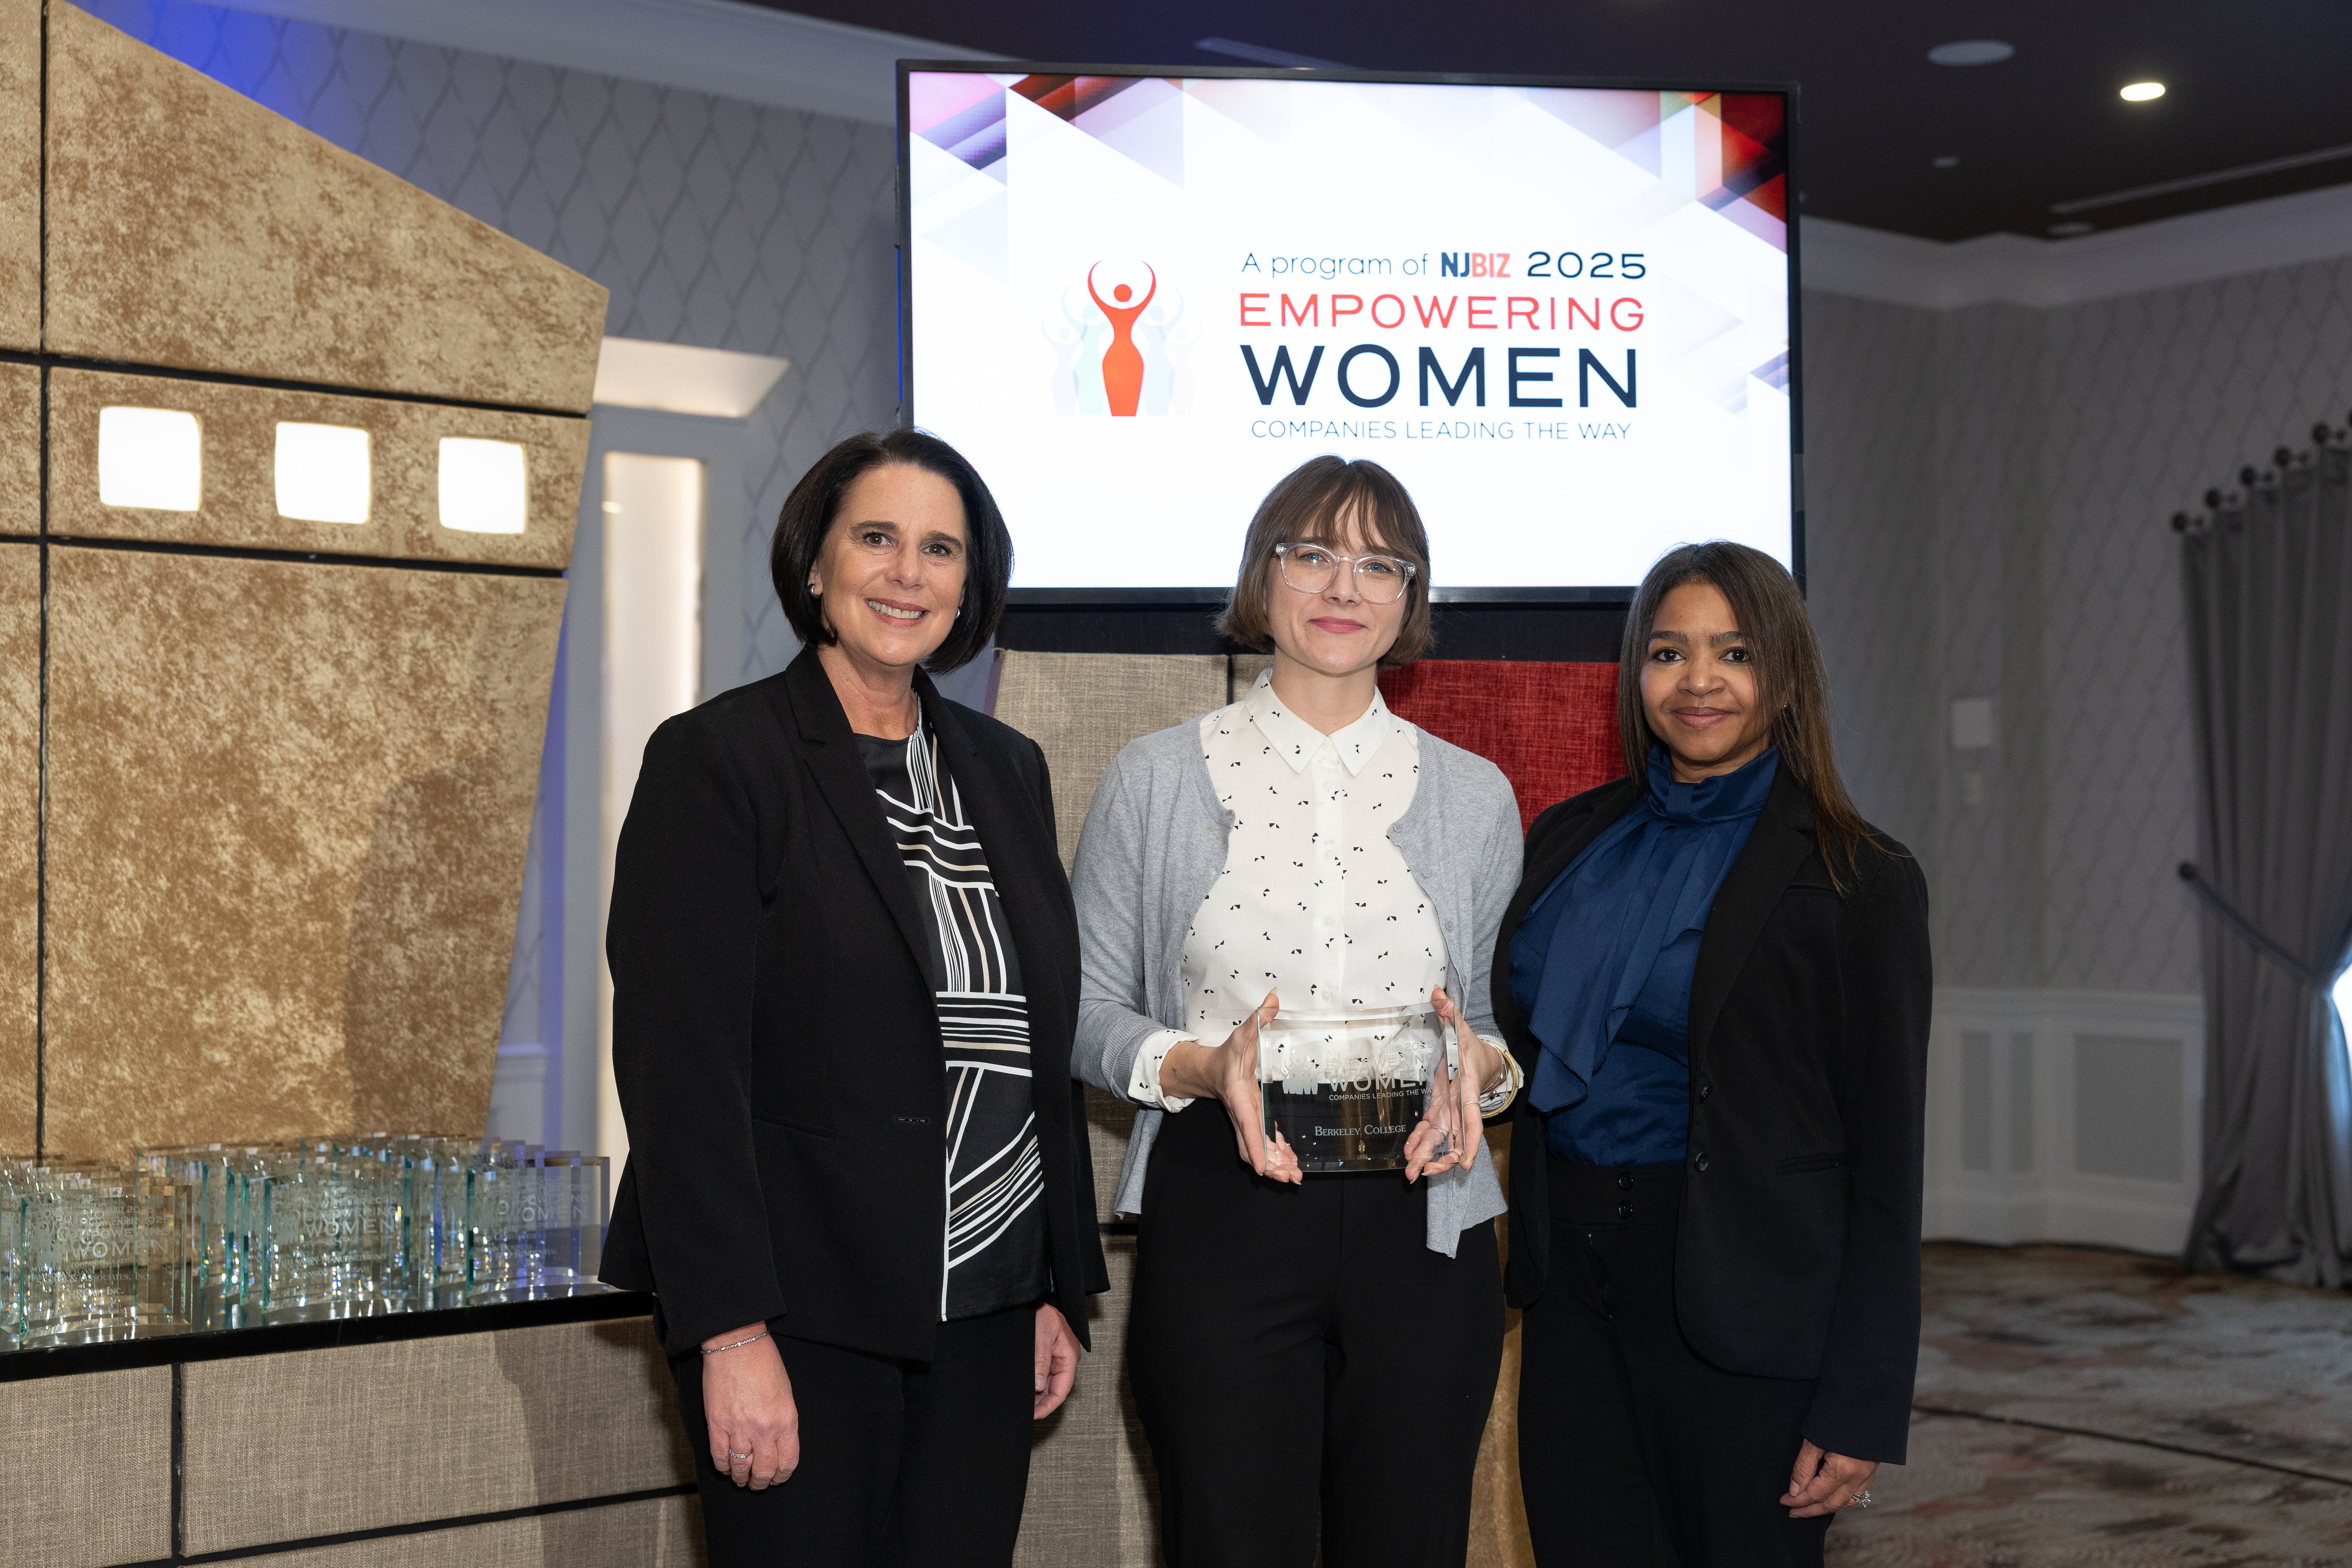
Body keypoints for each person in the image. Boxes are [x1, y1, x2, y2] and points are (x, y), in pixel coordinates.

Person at [600, 429, 1107, 1567]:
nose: (907, 573)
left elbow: (1033, 1048)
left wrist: (1048, 1284)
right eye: (876, 538)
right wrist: (729, 1332)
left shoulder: (1004, 766)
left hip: (985, 1310)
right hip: (797, 1312)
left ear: (969, 587)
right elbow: (682, 1073)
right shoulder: (721, 761)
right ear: (816, 564)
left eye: (941, 549)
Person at [1070, 456, 1526, 1568]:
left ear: (1409, 599)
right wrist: (1198, 1065)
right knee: (1228, 1542)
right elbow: (1081, 1012)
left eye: (1381, 563)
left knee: (1410, 1544)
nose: (1344, 585)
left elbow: (1506, 1032)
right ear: (1262, 577)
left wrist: (1484, 1071)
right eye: (1312, 552)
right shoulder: (1156, 779)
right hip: (1225, 1209)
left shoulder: (1476, 795)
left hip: (1425, 1216)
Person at [1495, 541, 1932, 1568]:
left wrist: (1864, 1400)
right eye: (1668, 652)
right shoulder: (1567, 839)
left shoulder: (1860, 876)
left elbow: (1889, 1163)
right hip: (1570, 1290)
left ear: (1784, 675)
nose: (1698, 682)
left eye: (1734, 653)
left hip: (1747, 1290)